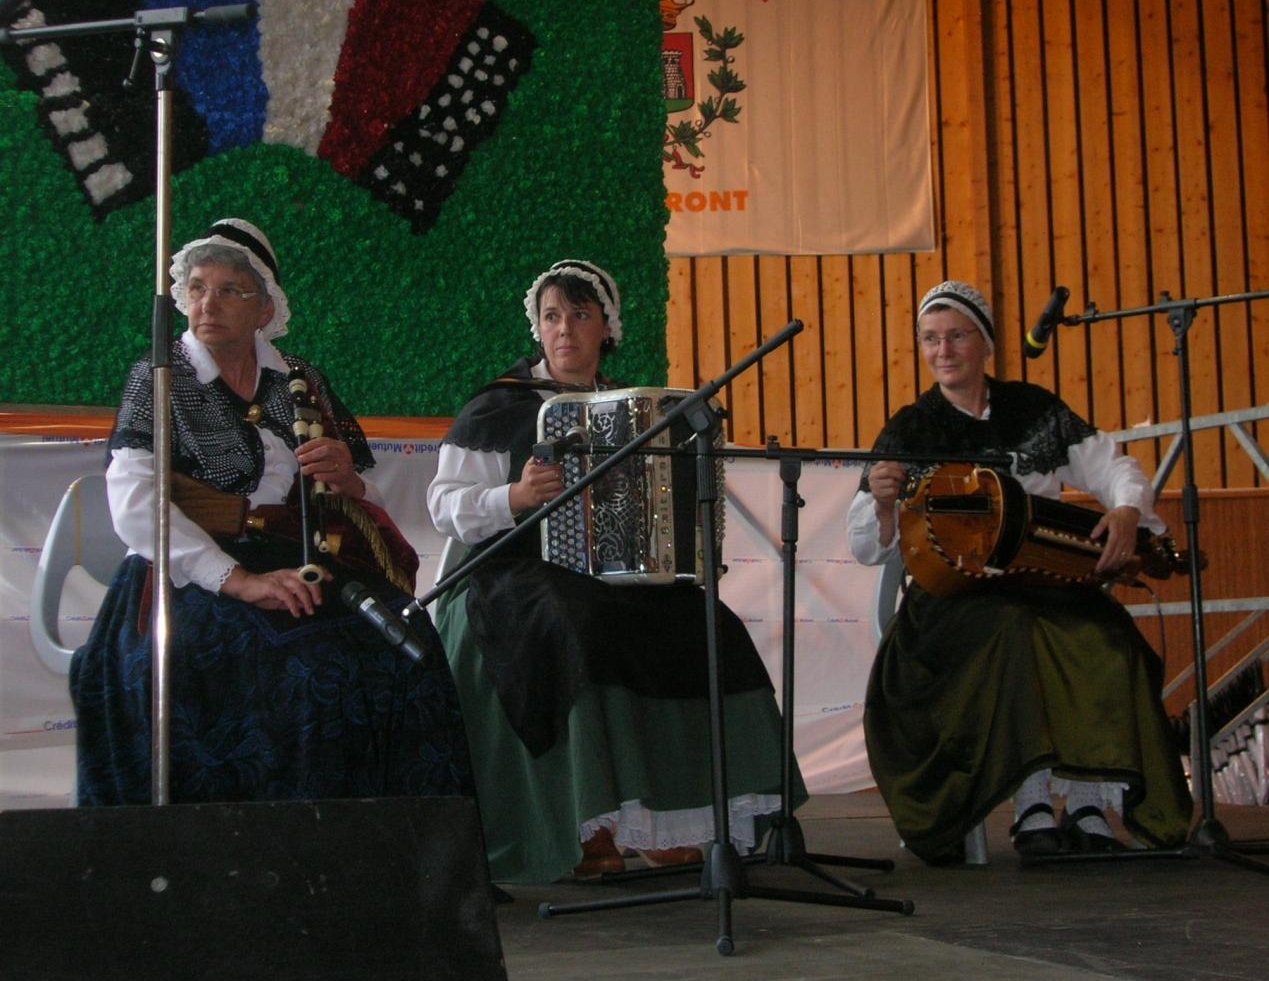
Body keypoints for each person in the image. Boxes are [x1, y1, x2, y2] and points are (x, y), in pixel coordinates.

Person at [70, 218, 471, 806]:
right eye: (198, 287)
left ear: (264, 309)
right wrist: (242, 583)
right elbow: (135, 505)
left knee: (408, 644)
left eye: (230, 289)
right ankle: (275, 859)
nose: (208, 303)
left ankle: (403, 859)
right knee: (306, 670)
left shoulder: (299, 379)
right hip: (187, 573)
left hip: (298, 555)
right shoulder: (157, 377)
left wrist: (349, 481)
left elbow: (363, 502)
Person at [427, 259, 802, 883]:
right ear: (537, 329)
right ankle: (591, 825)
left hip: (615, 575)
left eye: (580, 315)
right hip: (511, 571)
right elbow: (444, 506)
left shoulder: (639, 408)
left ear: (607, 328)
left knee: (702, 619)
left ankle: (672, 819)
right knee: (572, 618)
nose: (564, 329)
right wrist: (513, 498)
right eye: (552, 317)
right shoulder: (499, 407)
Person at [847, 280, 1193, 863]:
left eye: (957, 336)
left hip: (1047, 582)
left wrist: (1129, 508)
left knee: (1110, 640)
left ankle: (1086, 803)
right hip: (954, 599)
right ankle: (1033, 804)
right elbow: (866, 548)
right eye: (931, 340)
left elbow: (1112, 465)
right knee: (1015, 631)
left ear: (985, 345)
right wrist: (883, 505)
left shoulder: (1035, 411)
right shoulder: (911, 429)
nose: (944, 351)